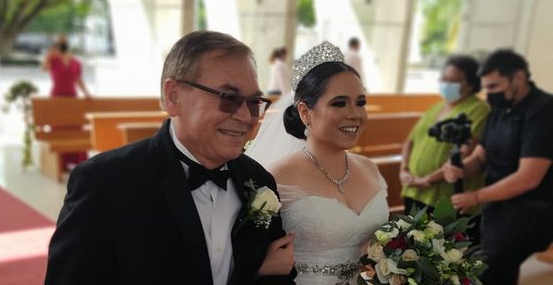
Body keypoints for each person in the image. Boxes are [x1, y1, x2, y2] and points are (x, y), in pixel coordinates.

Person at [45, 30, 297, 285]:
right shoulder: (104, 183)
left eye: (254, 101)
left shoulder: (259, 181)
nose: (245, 116)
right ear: (174, 96)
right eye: (228, 98)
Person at [247, 41, 389, 285]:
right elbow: (250, 254)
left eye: (361, 102)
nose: (355, 114)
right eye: (339, 103)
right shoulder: (276, 177)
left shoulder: (369, 168)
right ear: (305, 112)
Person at [443, 49, 553, 285]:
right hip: (496, 210)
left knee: (478, 274)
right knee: (502, 276)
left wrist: (475, 196)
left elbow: (528, 177)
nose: (489, 94)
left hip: (530, 211)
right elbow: (481, 157)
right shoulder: (499, 111)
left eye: (494, 87)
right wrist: (461, 168)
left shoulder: (544, 110)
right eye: (486, 88)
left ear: (519, 78)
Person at [400, 55, 489, 216]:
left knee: (441, 240)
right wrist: (404, 169)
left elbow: (465, 152)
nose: (447, 84)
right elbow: (410, 140)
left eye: (454, 80)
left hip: (444, 196)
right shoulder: (436, 107)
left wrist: (428, 180)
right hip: (414, 189)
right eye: (444, 78)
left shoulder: (478, 109)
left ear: (470, 85)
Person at [42, 34, 90, 98]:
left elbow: (79, 80)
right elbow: (44, 69)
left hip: (72, 95)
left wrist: (86, 93)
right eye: (59, 43)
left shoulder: (76, 62)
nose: (62, 44)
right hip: (56, 95)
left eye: (64, 42)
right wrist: (49, 55)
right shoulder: (53, 60)